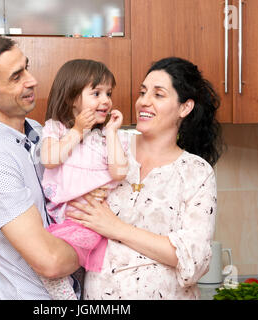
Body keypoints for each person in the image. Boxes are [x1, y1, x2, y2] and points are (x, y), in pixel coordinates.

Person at [68, 57, 224, 299]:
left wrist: (116, 228)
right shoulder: (107, 145)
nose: (143, 101)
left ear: (184, 108)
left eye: (158, 94)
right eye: (143, 92)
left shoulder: (196, 172)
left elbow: (193, 258)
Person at [0, 35, 80, 300]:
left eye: (27, 67)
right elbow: (50, 261)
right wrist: (102, 242)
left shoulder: (39, 132)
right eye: (16, 77)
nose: (32, 80)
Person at [39, 59, 129, 299]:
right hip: (65, 220)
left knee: (47, 260)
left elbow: (119, 172)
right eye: (96, 93)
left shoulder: (103, 137)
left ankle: (66, 299)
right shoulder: (56, 129)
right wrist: (77, 131)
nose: (106, 100)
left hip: (89, 221)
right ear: (71, 98)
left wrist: (111, 134)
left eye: (108, 93)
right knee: (48, 260)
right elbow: (49, 159)